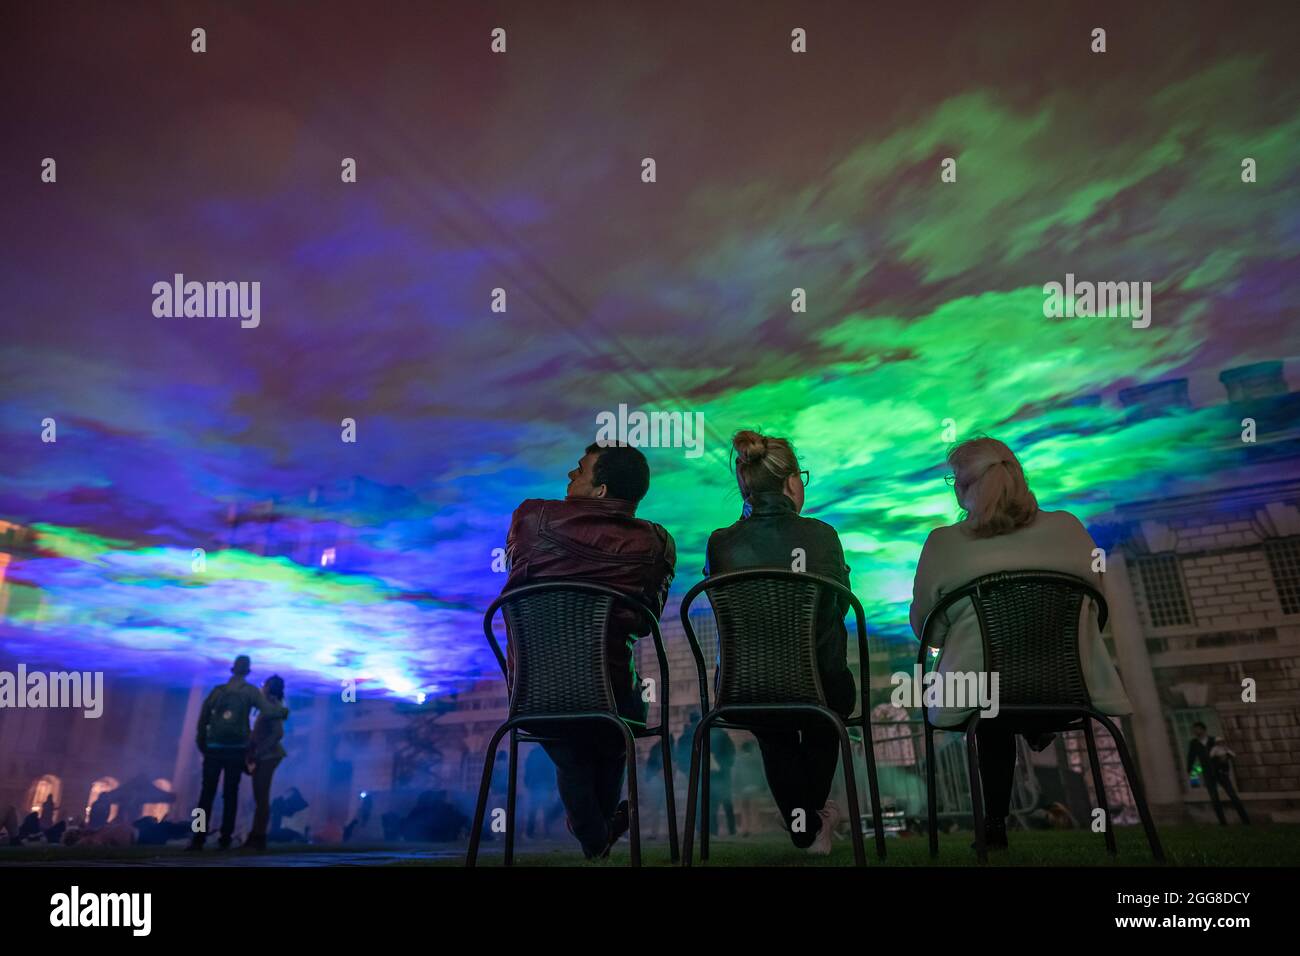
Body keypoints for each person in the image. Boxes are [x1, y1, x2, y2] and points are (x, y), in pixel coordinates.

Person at [910, 437, 1132, 851]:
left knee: (991, 704)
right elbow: (1095, 612)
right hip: (1068, 685)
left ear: (961, 489)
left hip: (981, 694)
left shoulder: (943, 544)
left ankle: (993, 822)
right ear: (1018, 474)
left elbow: (930, 631)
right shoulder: (1069, 527)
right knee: (1008, 697)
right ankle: (1037, 722)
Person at [501, 442, 676, 860]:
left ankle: (595, 835)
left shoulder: (532, 518)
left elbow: (516, 583)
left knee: (568, 739)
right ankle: (597, 835)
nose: (569, 476)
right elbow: (643, 622)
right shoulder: (655, 543)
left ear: (600, 490)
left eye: (579, 471)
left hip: (533, 695)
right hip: (612, 696)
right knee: (611, 730)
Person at [704, 429, 854, 854]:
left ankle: (807, 829)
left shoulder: (721, 543)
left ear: (745, 485)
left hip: (746, 689)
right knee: (826, 715)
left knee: (774, 726)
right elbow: (835, 611)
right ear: (792, 482)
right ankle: (813, 824)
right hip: (821, 685)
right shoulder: (822, 535)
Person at [188, 655, 290, 850]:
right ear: (248, 671)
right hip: (235, 749)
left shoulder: (218, 691)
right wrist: (283, 712)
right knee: (230, 795)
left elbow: (203, 720)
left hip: (214, 748)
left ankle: (197, 837)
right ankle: (225, 838)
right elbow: (269, 711)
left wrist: (202, 743)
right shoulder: (251, 692)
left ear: (232, 669)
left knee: (205, 795)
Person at [244, 674, 289, 850]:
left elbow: (278, 733)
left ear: (270, 687)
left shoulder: (272, 706)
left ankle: (258, 837)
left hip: (268, 756)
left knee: (261, 797)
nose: (262, 687)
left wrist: (260, 750)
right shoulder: (270, 706)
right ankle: (256, 836)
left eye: (265, 684)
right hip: (265, 755)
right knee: (259, 797)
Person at [1186, 721, 1250, 825]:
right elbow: (1191, 757)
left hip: (1220, 772)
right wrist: (1190, 770)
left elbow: (1226, 753)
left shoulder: (1214, 740)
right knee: (1214, 799)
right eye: (1194, 730)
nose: (1195, 731)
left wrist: (1225, 766)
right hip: (1208, 773)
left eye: (1197, 729)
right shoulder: (1194, 743)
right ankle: (1223, 823)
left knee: (1233, 796)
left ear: (1203, 729)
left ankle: (1246, 820)